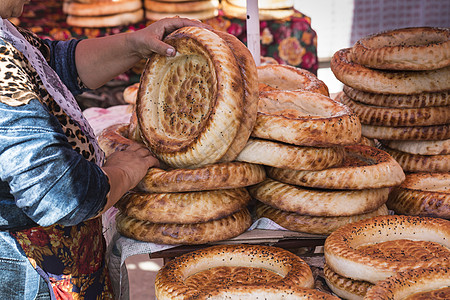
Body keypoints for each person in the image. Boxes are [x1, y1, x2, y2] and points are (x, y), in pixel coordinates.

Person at [0, 0, 209, 298]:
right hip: (28, 270)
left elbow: (50, 66)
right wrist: (122, 172)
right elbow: (60, 194)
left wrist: (135, 44)